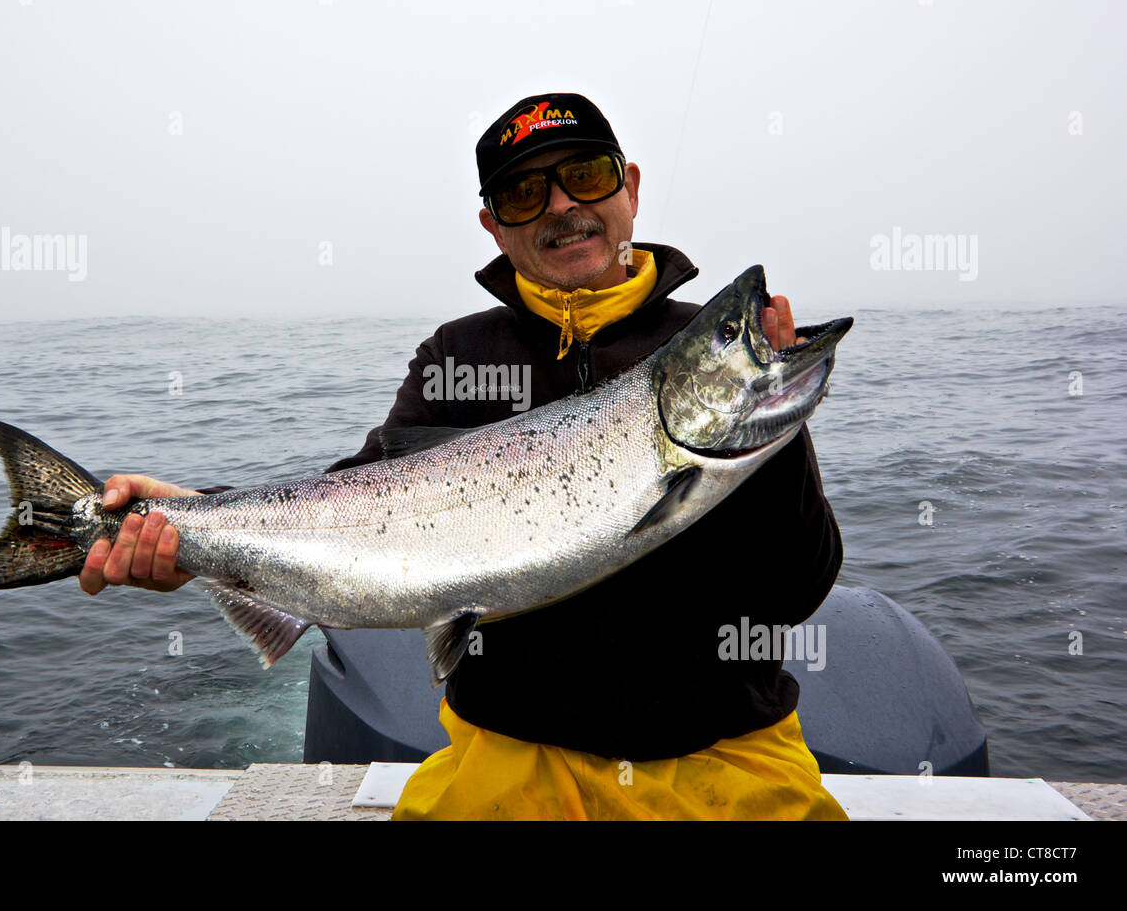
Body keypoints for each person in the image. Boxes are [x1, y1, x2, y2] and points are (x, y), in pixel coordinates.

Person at [80, 93, 847, 821]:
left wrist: (767, 419)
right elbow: (351, 503)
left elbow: (797, 587)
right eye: (523, 194)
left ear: (630, 188)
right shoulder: (458, 355)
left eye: (584, 175)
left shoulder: (701, 364)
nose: (560, 207)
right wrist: (189, 520)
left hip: (726, 758)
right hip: (505, 760)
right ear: (492, 225)